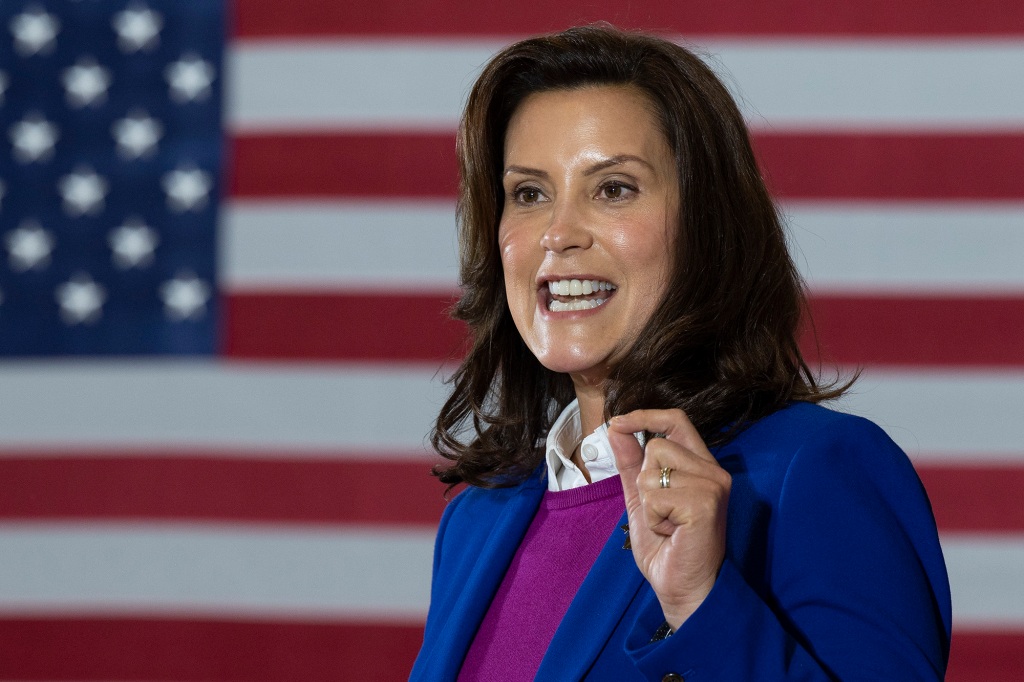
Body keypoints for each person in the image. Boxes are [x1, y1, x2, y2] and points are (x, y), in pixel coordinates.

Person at [410, 24, 950, 681]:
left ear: (706, 227)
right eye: (528, 193)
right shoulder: (477, 518)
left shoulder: (811, 473)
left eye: (613, 189)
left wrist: (700, 603)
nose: (558, 233)